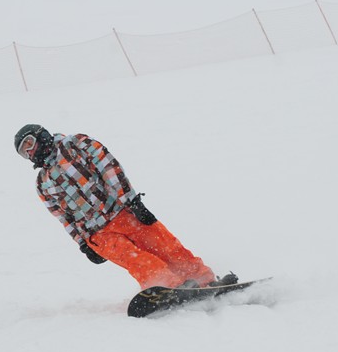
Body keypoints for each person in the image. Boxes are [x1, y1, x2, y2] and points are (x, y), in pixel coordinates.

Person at [14, 124, 237, 290]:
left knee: (164, 246)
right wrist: (83, 243)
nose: (30, 152)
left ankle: (203, 280)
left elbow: (109, 169)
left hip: (122, 212)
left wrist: (132, 201)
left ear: (42, 135)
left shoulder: (76, 145)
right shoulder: (42, 183)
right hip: (98, 234)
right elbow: (64, 218)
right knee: (136, 260)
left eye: (29, 144)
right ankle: (167, 286)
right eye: (25, 152)